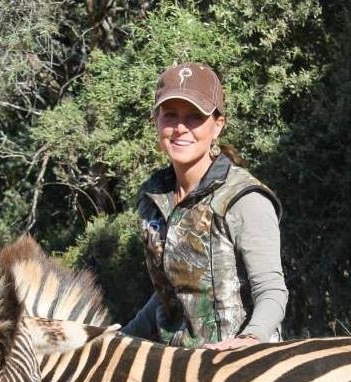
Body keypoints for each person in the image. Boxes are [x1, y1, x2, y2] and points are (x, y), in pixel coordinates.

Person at [121, 63, 288, 350]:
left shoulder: (244, 199)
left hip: (244, 367)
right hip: (178, 367)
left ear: (218, 125)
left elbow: (272, 292)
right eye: (170, 116)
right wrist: (118, 339)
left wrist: (249, 339)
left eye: (195, 117)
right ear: (156, 121)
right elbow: (169, 296)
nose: (180, 128)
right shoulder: (153, 198)